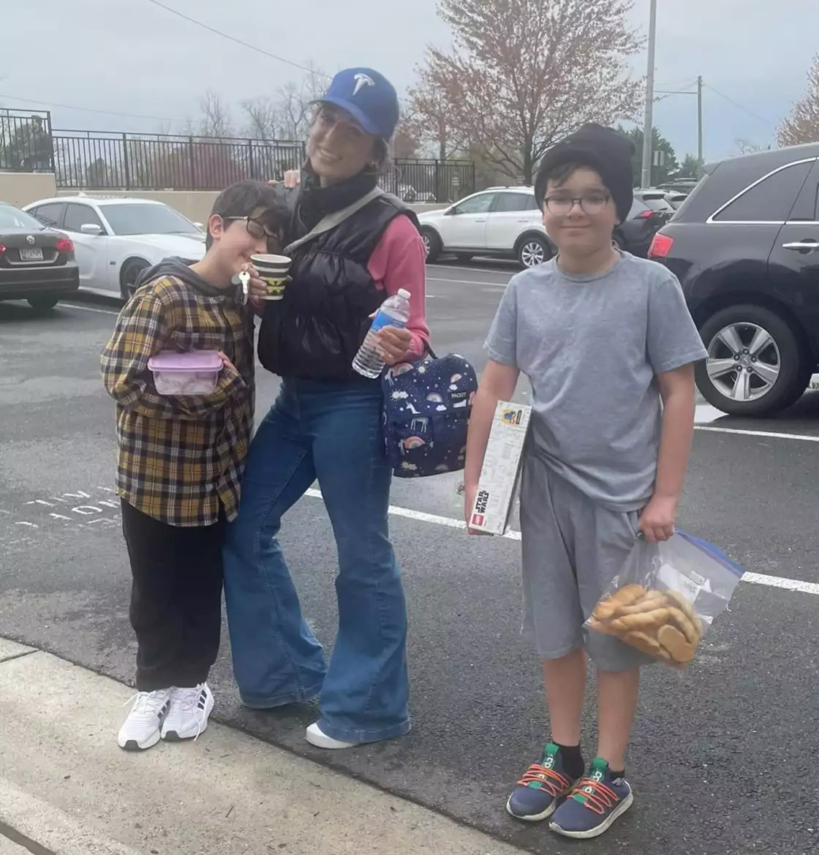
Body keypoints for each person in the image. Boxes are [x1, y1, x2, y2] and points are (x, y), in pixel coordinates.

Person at [464, 124, 707, 840]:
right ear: (542, 207)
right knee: (554, 632)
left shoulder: (651, 287)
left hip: (623, 503)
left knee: (619, 639)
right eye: (560, 196)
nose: (576, 210)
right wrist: (477, 483)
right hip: (545, 492)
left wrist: (665, 495)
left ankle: (610, 770)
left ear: (617, 206)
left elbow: (679, 393)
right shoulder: (524, 290)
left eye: (593, 196)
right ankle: (562, 753)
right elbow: (493, 390)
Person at [223, 68, 429, 750]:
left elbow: (416, 330)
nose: (330, 137)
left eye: (351, 130)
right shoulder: (288, 210)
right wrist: (258, 298)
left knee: (361, 555)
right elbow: (280, 299)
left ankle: (369, 708)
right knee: (244, 527)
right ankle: (287, 673)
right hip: (294, 399)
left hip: (353, 403)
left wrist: (399, 342)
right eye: (325, 118)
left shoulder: (394, 228)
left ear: (374, 151)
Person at [101, 181, 288, 751]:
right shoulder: (163, 293)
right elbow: (120, 378)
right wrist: (209, 393)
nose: (260, 249)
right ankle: (152, 686)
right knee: (155, 590)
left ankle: (192, 685)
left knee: (204, 588)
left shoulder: (240, 300)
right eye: (254, 233)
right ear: (217, 226)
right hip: (154, 479)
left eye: (272, 241)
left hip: (217, 480)